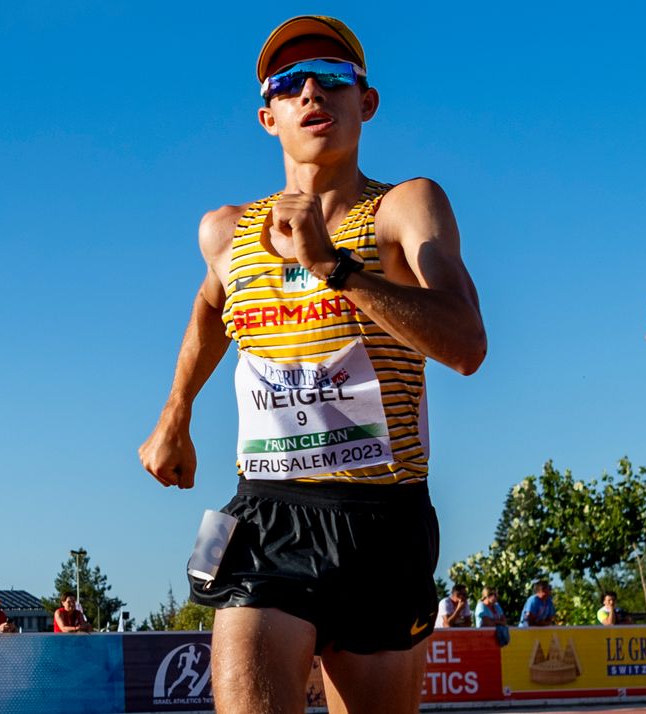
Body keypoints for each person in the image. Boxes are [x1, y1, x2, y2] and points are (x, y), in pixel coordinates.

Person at [135, 14, 486, 714]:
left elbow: (466, 344)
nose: (312, 94)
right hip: (270, 510)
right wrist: (175, 413)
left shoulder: (403, 209)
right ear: (269, 117)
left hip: (382, 517)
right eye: (290, 84)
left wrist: (332, 266)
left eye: (333, 78)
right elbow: (211, 308)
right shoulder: (228, 231)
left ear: (367, 102)